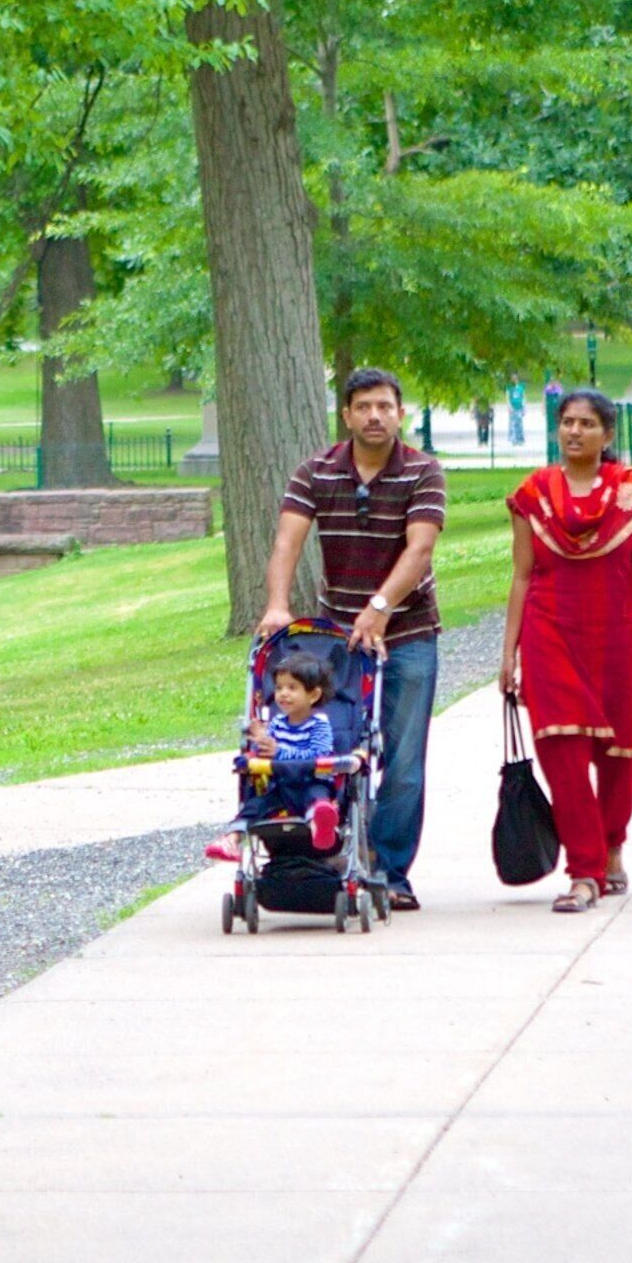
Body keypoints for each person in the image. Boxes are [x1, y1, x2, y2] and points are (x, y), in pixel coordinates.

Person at [260, 368, 448, 910]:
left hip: (407, 632)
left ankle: (389, 871)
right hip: (336, 638)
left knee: (404, 759)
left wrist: (381, 608)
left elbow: (419, 550)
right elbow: (286, 542)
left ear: (400, 413)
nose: (374, 415)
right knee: (333, 746)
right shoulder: (315, 471)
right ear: (346, 415)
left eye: (385, 406)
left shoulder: (422, 471)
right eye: (363, 406)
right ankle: (331, 854)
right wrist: (277, 605)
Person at [503, 388, 632, 914]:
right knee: (562, 750)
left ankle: (612, 845)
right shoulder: (533, 495)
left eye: (586, 423)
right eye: (567, 422)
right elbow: (522, 574)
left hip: (615, 630)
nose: (574, 432)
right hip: (549, 627)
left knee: (618, 751)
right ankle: (584, 871)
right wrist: (508, 654)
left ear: (608, 434)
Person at [243, 656, 344, 851]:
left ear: (313, 695)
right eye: (279, 688)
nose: (283, 694)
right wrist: (261, 741)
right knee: (256, 804)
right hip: (282, 785)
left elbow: (318, 755)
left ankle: (319, 826)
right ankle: (233, 836)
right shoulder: (277, 723)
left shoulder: (319, 724)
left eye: (292, 688)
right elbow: (267, 751)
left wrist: (279, 752)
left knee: (318, 797)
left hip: (312, 781)